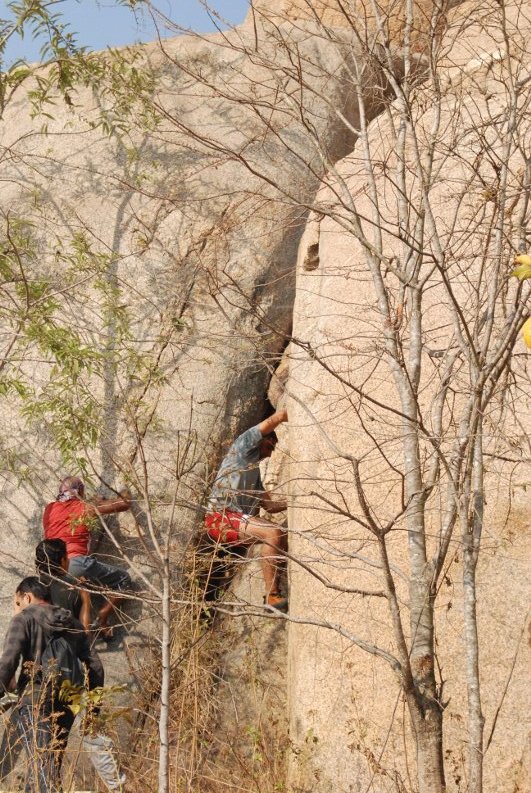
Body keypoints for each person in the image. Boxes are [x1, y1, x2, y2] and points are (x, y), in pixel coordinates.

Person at [0, 577, 104, 793]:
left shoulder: (24, 619)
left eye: (17, 603)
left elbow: (8, 662)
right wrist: (93, 711)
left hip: (35, 700)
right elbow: (95, 666)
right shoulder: (71, 622)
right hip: (67, 702)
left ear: (26, 597)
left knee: (42, 769)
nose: (16, 608)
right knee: (49, 765)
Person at [205, 408, 289, 610]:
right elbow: (274, 420)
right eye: (271, 445)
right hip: (221, 517)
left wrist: (297, 499)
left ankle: (273, 589)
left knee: (280, 535)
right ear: (262, 440)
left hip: (235, 519)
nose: (271, 452)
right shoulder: (241, 449)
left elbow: (270, 506)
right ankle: (272, 595)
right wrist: (286, 414)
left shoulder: (253, 474)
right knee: (273, 532)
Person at [43, 476, 132, 637]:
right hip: (75, 563)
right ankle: (103, 617)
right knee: (123, 579)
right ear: (80, 491)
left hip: (51, 569)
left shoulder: (49, 509)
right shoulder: (85, 508)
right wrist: (126, 485)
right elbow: (124, 503)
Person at [35, 539, 91, 632]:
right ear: (62, 560)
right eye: (67, 557)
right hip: (68, 641)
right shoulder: (72, 589)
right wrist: (86, 600)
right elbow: (85, 632)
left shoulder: (34, 586)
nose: (69, 560)